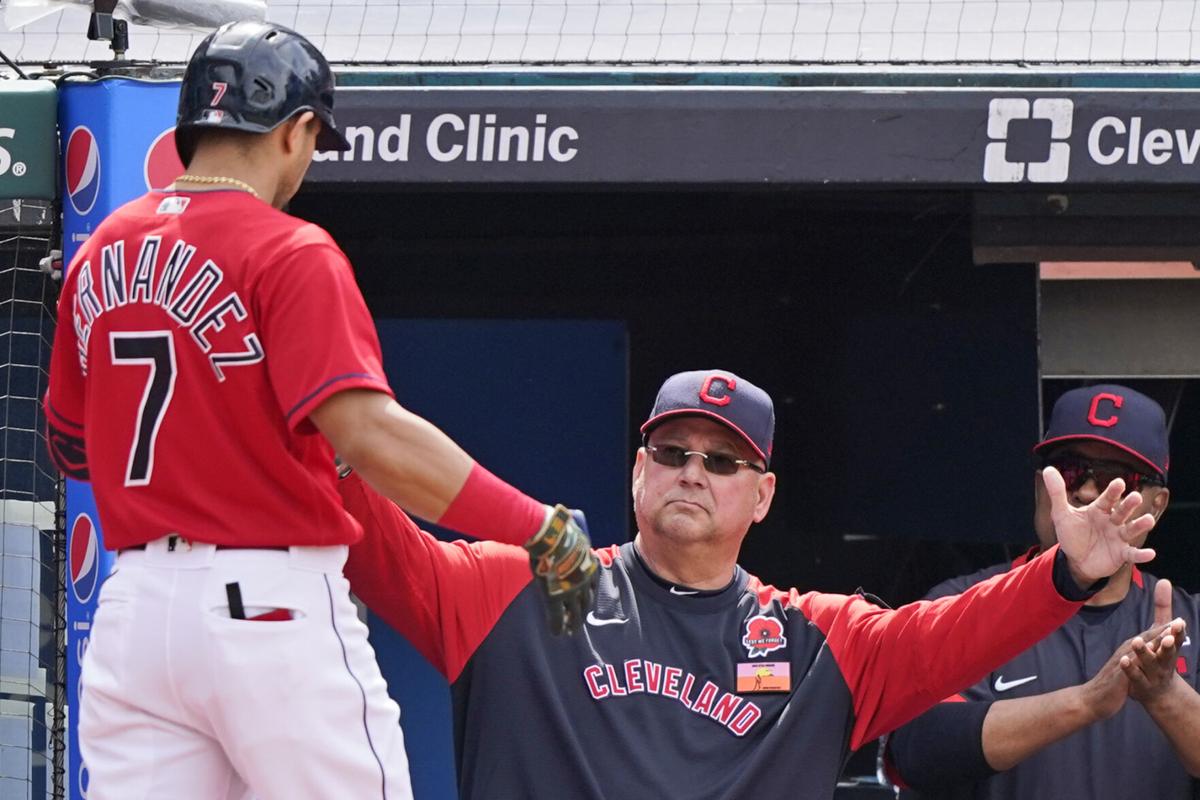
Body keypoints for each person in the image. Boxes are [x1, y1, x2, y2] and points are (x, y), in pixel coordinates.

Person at [43, 21, 594, 800]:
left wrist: (213, 436)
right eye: (314, 139)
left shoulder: (99, 252)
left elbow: (70, 449)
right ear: (296, 130)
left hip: (135, 616)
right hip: (266, 607)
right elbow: (370, 438)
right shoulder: (289, 249)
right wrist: (535, 526)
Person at [339, 369, 1167, 800]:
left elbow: (948, 636)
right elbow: (377, 548)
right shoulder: (515, 590)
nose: (692, 472)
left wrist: (1063, 575)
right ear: (637, 472)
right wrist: (319, 437)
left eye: (724, 460)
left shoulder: (817, 640)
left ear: (762, 494)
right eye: (671, 453)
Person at [886, 384, 1200, 800]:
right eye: (1071, 472)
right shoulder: (961, 604)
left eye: (1116, 480)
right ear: (1041, 487)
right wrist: (1083, 703)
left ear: (1157, 506)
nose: (1088, 492)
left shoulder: (1188, 620)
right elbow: (913, 750)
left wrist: (1165, 694)